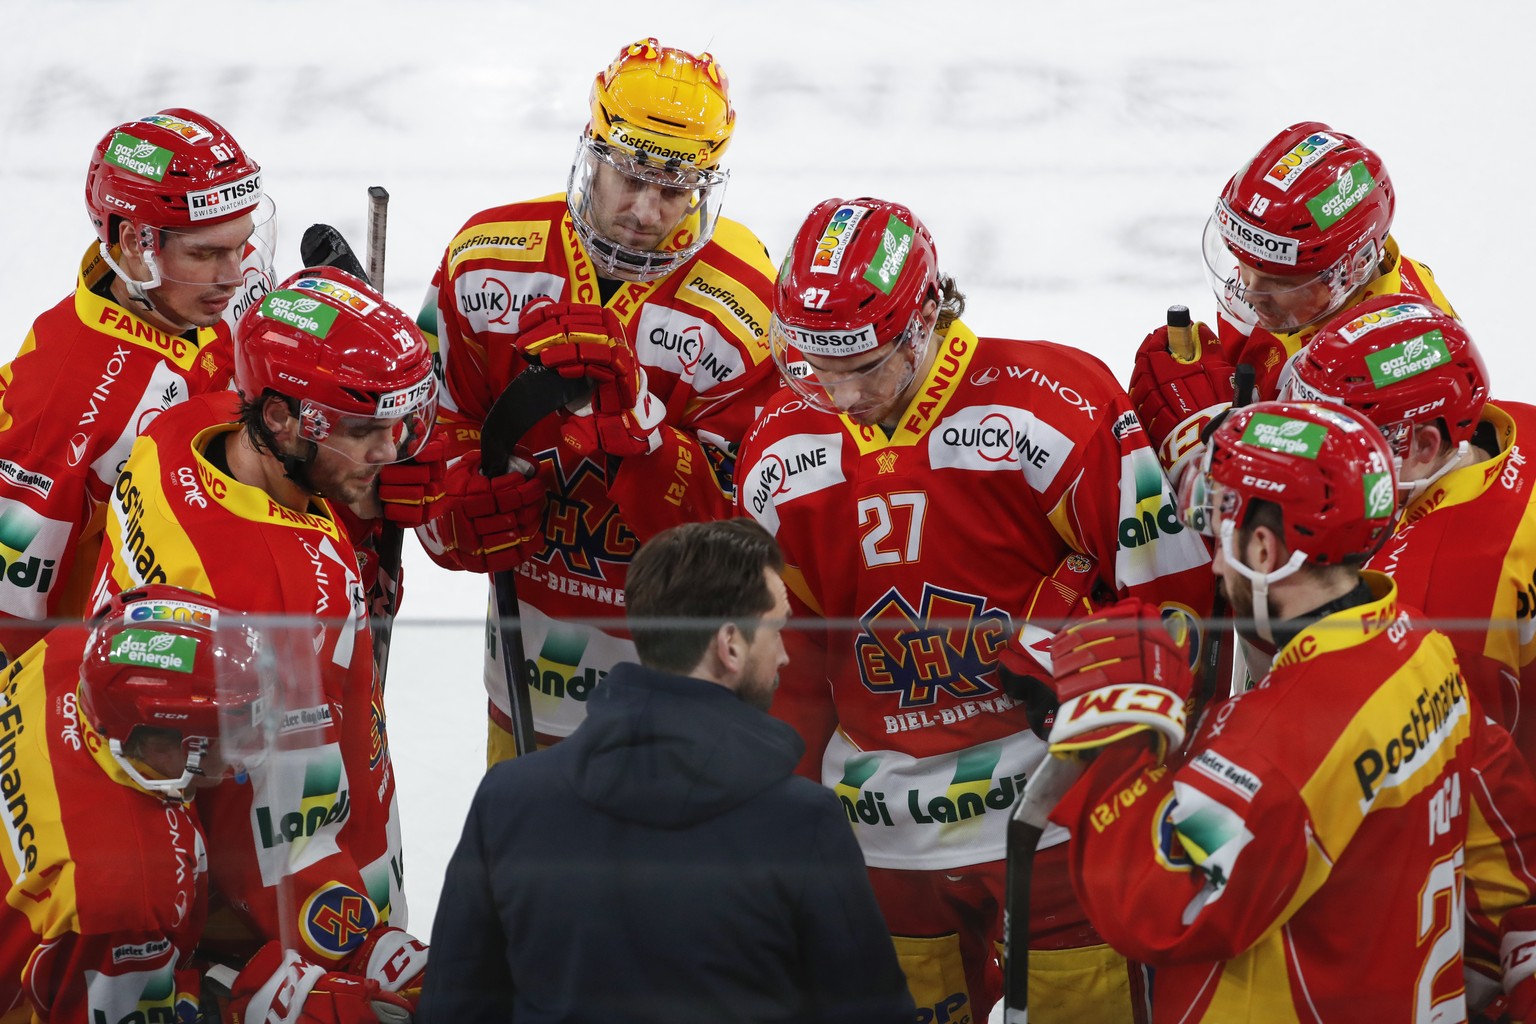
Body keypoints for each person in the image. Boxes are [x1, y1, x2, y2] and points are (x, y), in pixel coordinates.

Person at [734, 195, 1216, 1023]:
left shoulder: (1053, 407)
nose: (839, 395)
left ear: (926, 323)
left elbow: (1174, 601)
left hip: (1062, 827)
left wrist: (1094, 678)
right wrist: (776, 813)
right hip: (877, 845)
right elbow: (792, 660)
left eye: (864, 365)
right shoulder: (779, 449)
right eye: (813, 363)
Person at [1021, 400, 1536, 1021]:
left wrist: (1107, 736)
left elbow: (1155, 906)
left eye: (1223, 529)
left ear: (1264, 551)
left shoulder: (1280, 742)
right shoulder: (1418, 646)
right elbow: (1511, 845)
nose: (1214, 559)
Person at [415, 36, 783, 762]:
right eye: (631, 176)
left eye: (675, 189)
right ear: (594, 152)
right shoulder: (487, 257)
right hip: (526, 657)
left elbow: (745, 532)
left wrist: (645, 440)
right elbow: (430, 421)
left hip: (682, 680)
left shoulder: (745, 306)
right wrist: (452, 500)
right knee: (528, 862)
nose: (647, 212)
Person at [87, 266, 435, 1006]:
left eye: (398, 423)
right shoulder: (276, 612)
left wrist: (341, 336)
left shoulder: (184, 431)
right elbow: (280, 843)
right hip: (277, 924)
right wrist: (373, 951)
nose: (391, 450)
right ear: (280, 419)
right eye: (365, 429)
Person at [418, 518, 915, 1023]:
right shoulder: (801, 825)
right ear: (730, 645)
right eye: (776, 629)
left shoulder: (509, 800)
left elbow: (453, 1006)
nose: (785, 653)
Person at [0, 584, 408, 1024]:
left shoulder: (70, 652)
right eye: (231, 733)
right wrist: (238, 1003)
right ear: (165, 748)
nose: (248, 748)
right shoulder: (128, 892)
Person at [0, 108, 275, 666]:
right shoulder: (63, 406)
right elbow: (11, 625)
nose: (235, 272)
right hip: (140, 696)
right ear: (133, 242)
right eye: (205, 253)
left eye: (241, 243)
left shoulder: (197, 293)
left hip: (234, 636)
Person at [1278, 294, 1536, 770]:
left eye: (1346, 441)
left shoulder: (1433, 604)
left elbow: (1451, 785)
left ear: (1424, 443)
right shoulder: (1518, 421)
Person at [1129, 121, 1459, 489]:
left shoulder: (1380, 368)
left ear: (1353, 268)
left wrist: (1198, 448)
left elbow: (1325, 522)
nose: (1250, 293)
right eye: (1241, 263)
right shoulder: (1308, 290)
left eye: (1278, 281)